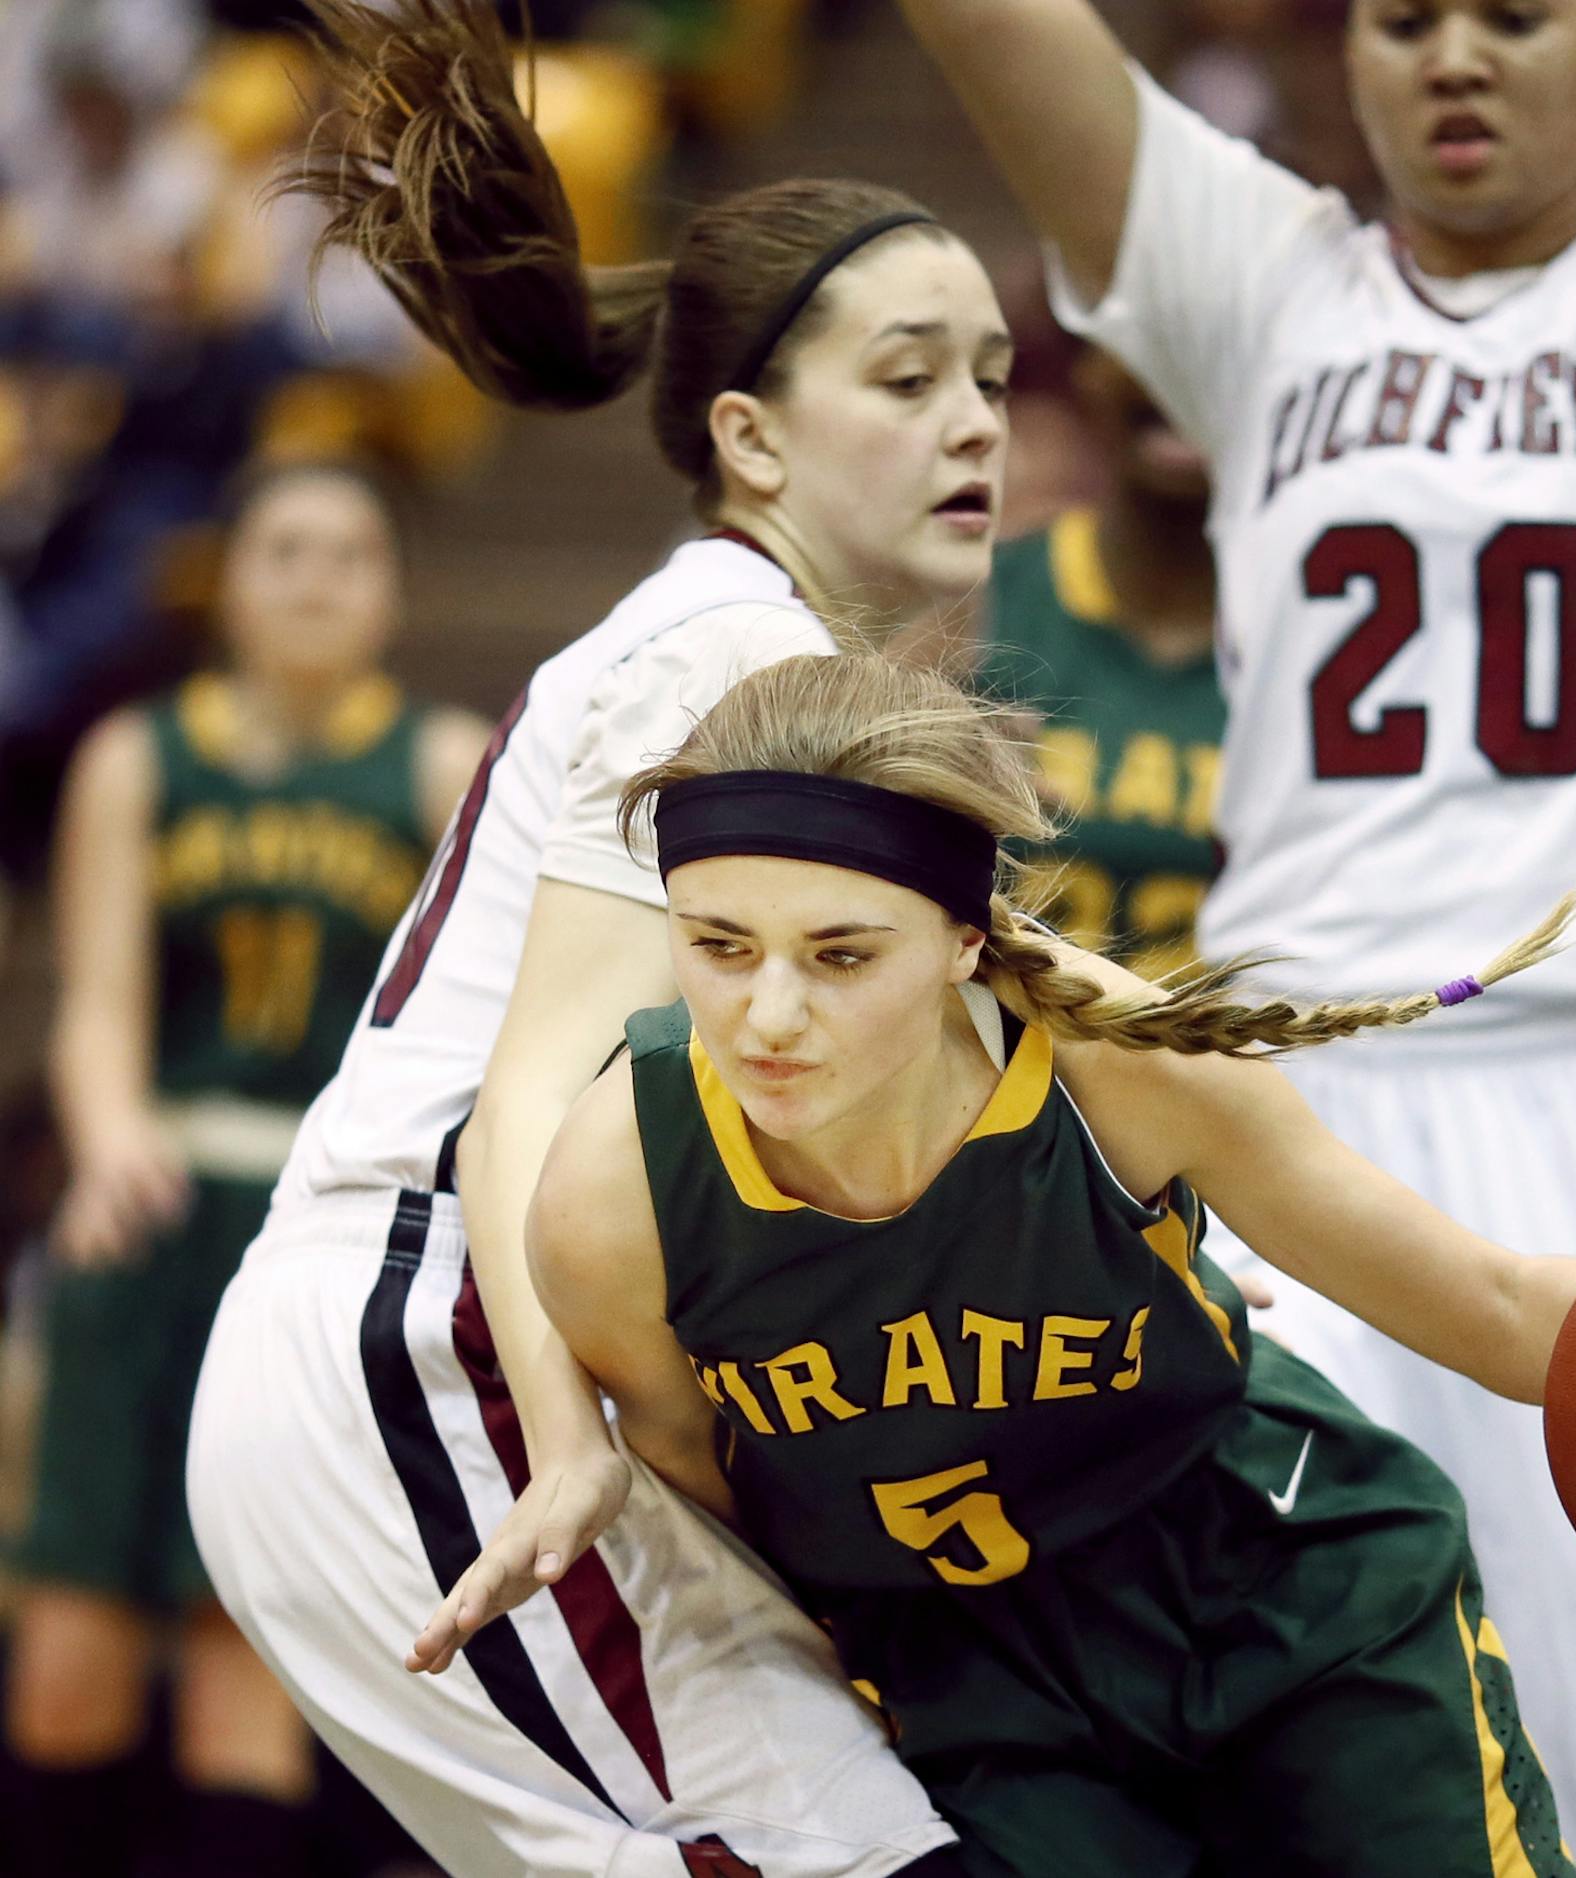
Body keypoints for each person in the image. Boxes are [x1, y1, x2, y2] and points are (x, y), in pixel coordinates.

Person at [896, 1, 1576, 1872]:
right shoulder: (1266, 286)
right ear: (1339, 57)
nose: (1453, 57)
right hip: (1300, 1123)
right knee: (1320, 1772)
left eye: (1514, 17)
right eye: (1403, 19)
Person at [184, 2, 1001, 1873]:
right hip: (438, 1349)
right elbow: (523, 1109)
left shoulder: (783, 664)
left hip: (445, 1351)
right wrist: (560, 1441)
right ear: (752, 437)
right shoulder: (720, 649)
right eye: (905, 377)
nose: (972, 421)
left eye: (993, 373)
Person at [533, 648, 1576, 1877]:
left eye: (841, 956)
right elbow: (711, 1497)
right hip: (971, 1680)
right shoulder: (615, 1198)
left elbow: (1499, 1307)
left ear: (964, 944)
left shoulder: (1120, 1070)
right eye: (720, 946)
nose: (768, 1016)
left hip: (1277, 1577)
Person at [6, 459, 488, 1878]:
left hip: (317, 1239)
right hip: (157, 1204)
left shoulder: (442, 761)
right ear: (232, 579)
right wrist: (105, 1140)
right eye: (285, 548)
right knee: (68, 1642)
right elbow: (97, 1002)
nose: (318, 577)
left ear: (395, 590)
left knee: (250, 1652)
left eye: (350, 551)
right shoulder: (137, 755)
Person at [968, 346, 1225, 977]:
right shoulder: (971, 601)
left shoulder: (1326, 627)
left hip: (1242, 1063)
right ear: (1085, 370)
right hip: (1008, 1058)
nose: (1178, 376)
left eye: (1213, 349)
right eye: (1149, 341)